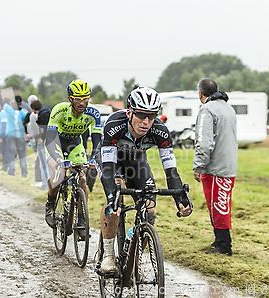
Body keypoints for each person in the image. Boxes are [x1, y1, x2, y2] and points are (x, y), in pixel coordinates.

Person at [96, 87, 192, 273]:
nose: (146, 121)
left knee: (149, 209)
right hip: (111, 161)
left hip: (136, 161)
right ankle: (108, 257)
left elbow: (171, 171)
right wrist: (111, 198)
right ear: (130, 112)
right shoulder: (114, 124)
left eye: (152, 115)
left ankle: (134, 257)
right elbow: (108, 168)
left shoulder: (161, 132)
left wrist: (180, 199)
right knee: (116, 195)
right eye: (141, 115)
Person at [44, 79, 101, 231]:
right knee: (60, 172)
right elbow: (50, 138)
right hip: (55, 143)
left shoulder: (93, 113)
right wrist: (59, 159)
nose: (82, 102)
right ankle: (50, 204)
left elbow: (97, 139)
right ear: (70, 99)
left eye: (85, 98)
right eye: (78, 99)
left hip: (75, 145)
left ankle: (81, 221)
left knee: (82, 178)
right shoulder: (60, 110)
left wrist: (94, 157)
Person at [193, 78, 237, 256]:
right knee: (221, 205)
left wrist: (199, 165)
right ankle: (219, 240)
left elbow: (204, 142)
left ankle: (224, 246)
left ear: (200, 94)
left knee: (217, 206)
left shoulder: (207, 110)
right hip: (229, 165)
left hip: (215, 167)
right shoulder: (229, 108)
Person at [0, 89, 28, 177]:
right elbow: (26, 124)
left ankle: (11, 171)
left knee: (11, 154)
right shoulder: (23, 114)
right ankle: (24, 173)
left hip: (10, 135)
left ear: (14, 102)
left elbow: (1, 101)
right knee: (22, 155)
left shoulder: (9, 110)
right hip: (20, 136)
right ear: (21, 103)